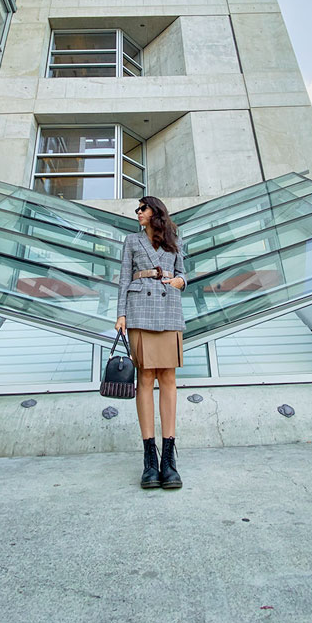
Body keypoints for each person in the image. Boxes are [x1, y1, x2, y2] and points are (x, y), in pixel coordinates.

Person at [115, 196, 187, 490]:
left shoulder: (173, 238)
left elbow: (183, 274)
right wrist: (120, 313)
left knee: (168, 377)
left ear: (155, 212)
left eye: (142, 208)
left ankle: (168, 460)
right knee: (145, 377)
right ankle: (149, 460)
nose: (138, 213)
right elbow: (122, 279)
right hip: (139, 309)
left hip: (168, 306)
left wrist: (180, 282)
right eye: (138, 209)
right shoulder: (131, 241)